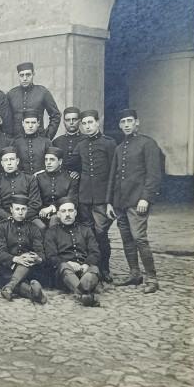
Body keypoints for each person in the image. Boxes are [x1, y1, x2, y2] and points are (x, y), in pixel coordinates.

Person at [107, 108, 164, 293]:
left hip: (137, 201)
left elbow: (153, 175)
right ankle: (134, 274)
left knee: (139, 238)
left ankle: (152, 279)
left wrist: (146, 198)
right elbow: (114, 176)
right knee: (126, 238)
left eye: (129, 121)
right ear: (119, 125)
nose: (126, 125)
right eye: (123, 122)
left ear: (137, 122)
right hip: (120, 202)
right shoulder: (119, 148)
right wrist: (110, 202)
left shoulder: (148, 144)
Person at [74, 109, 118, 283]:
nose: (87, 126)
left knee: (101, 233)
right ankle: (92, 268)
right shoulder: (81, 145)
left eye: (90, 122)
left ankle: (104, 268)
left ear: (98, 123)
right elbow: (73, 165)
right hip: (84, 197)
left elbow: (114, 172)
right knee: (88, 233)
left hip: (101, 198)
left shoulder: (109, 143)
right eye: (84, 123)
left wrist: (110, 200)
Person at [43, 198, 101, 306]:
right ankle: (85, 293)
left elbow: (95, 252)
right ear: (58, 214)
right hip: (64, 273)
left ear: (75, 213)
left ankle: (82, 293)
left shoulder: (86, 230)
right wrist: (68, 263)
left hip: (84, 269)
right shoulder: (51, 232)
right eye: (63, 211)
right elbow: (51, 256)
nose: (67, 214)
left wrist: (86, 264)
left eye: (70, 211)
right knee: (64, 267)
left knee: (94, 269)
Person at [0, 194, 47, 303]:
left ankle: (9, 287)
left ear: (27, 210)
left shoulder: (33, 227)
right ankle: (37, 295)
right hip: (9, 268)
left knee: (27, 259)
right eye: (17, 209)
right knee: (22, 266)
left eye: (23, 209)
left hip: (29, 269)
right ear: (11, 210)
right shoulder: (2, 227)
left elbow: (40, 252)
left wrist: (37, 258)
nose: (20, 212)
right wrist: (16, 259)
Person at [7, 62, 61, 138]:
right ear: (18, 76)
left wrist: (47, 137)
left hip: (38, 140)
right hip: (16, 140)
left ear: (33, 74)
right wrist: (9, 139)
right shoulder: (11, 94)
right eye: (21, 75)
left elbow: (56, 115)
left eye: (28, 75)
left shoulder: (42, 92)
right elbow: (5, 119)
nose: (25, 78)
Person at [0, 148, 40, 226]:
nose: (9, 163)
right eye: (5, 160)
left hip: (27, 216)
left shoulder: (29, 179)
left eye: (12, 159)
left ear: (17, 161)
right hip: (3, 217)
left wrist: (21, 216)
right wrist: (8, 216)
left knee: (41, 226)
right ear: (2, 163)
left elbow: (35, 204)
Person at [35, 147, 74, 224]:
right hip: (40, 214)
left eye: (52, 159)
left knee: (54, 220)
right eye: (46, 159)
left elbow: (71, 199)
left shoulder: (70, 178)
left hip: (63, 214)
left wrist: (52, 208)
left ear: (60, 161)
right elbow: (35, 200)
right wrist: (43, 210)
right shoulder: (38, 177)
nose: (48, 163)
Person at [51, 106, 83, 181]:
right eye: (68, 120)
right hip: (61, 181)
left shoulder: (86, 139)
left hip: (81, 182)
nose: (71, 122)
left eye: (74, 119)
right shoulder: (56, 141)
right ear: (64, 122)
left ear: (80, 121)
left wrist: (79, 172)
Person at [13, 110, 48, 176]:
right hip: (22, 179)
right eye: (27, 122)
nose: (30, 126)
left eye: (33, 122)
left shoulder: (46, 142)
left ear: (38, 123)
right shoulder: (16, 142)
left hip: (42, 178)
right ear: (22, 123)